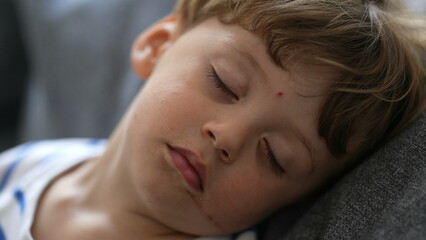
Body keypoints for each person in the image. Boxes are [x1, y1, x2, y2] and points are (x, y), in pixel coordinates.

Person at [1, 0, 425, 239]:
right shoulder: (34, 165)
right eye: (224, 83)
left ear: (296, 199)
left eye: (276, 157)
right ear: (157, 45)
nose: (228, 137)